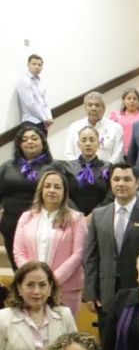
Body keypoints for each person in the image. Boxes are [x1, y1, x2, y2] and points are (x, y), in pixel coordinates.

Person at [83, 162, 139, 334]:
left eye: (127, 179)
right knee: (106, 347)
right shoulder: (98, 215)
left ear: (137, 183)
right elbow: (91, 257)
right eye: (117, 179)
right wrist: (90, 293)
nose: (121, 183)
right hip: (105, 296)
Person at [13, 169, 88, 316]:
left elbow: (78, 255)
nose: (52, 190)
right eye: (47, 186)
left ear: (64, 192)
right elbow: (19, 252)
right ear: (41, 189)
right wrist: (34, 279)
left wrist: (51, 281)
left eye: (57, 187)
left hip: (65, 289)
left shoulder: (76, 219)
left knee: (63, 337)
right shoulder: (26, 217)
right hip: (31, 290)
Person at [0, 126, 54, 267]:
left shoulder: (52, 167)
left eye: (34, 138)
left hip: (41, 224)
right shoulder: (7, 167)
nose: (29, 142)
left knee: (39, 266)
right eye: (24, 140)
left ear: (43, 142)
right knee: (18, 266)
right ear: (19, 145)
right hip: (11, 223)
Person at [59, 125, 112, 217]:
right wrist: (77, 215)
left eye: (92, 140)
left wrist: (94, 215)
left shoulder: (108, 167)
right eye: (83, 140)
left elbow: (110, 195)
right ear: (78, 144)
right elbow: (64, 194)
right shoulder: (67, 167)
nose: (88, 144)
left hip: (101, 216)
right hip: (72, 216)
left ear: (99, 143)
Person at [64, 92, 124, 163]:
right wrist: (78, 168)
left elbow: (118, 153)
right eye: (90, 105)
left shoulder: (115, 128)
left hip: (106, 171)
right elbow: (68, 152)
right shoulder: (74, 127)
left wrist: (106, 169)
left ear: (104, 108)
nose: (93, 108)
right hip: (79, 171)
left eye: (97, 105)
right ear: (85, 108)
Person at [16, 54, 52, 132]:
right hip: (31, 121)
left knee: (42, 143)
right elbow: (31, 104)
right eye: (34, 64)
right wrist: (45, 119)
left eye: (39, 65)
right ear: (28, 65)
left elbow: (45, 102)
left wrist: (49, 117)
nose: (36, 66)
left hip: (42, 121)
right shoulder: (24, 81)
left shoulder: (39, 82)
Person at [109, 88, 139, 154]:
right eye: (129, 98)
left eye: (134, 99)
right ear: (123, 100)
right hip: (120, 152)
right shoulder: (115, 116)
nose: (132, 101)